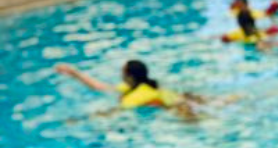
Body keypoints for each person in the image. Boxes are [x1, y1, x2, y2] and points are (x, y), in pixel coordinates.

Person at [54, 60, 192, 112]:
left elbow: (117, 112)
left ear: (130, 77)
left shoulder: (134, 97)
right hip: (179, 101)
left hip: (178, 111)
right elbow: (98, 87)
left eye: (122, 72)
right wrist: (73, 72)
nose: (120, 75)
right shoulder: (140, 87)